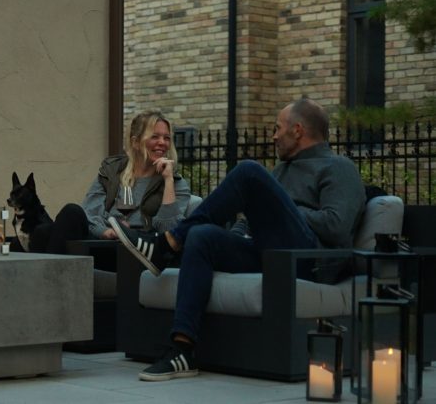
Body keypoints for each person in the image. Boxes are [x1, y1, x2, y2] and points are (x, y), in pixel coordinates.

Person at [108, 98, 366, 381]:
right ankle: (182, 349)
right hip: (268, 253)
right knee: (203, 235)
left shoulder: (338, 167)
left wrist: (284, 208)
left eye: (277, 128)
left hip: (308, 261)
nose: (274, 136)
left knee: (248, 171)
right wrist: (231, 240)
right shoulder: (281, 171)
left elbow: (336, 226)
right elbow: (249, 221)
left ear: (298, 130)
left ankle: (167, 244)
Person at [33, 110, 192, 254]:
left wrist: (168, 180)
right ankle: (50, 282)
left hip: (135, 250)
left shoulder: (176, 183)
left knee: (48, 232)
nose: (162, 143)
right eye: (155, 136)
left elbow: (170, 231)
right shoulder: (113, 171)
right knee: (57, 222)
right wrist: (104, 231)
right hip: (102, 241)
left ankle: (47, 283)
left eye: (166, 138)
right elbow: (90, 210)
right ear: (136, 142)